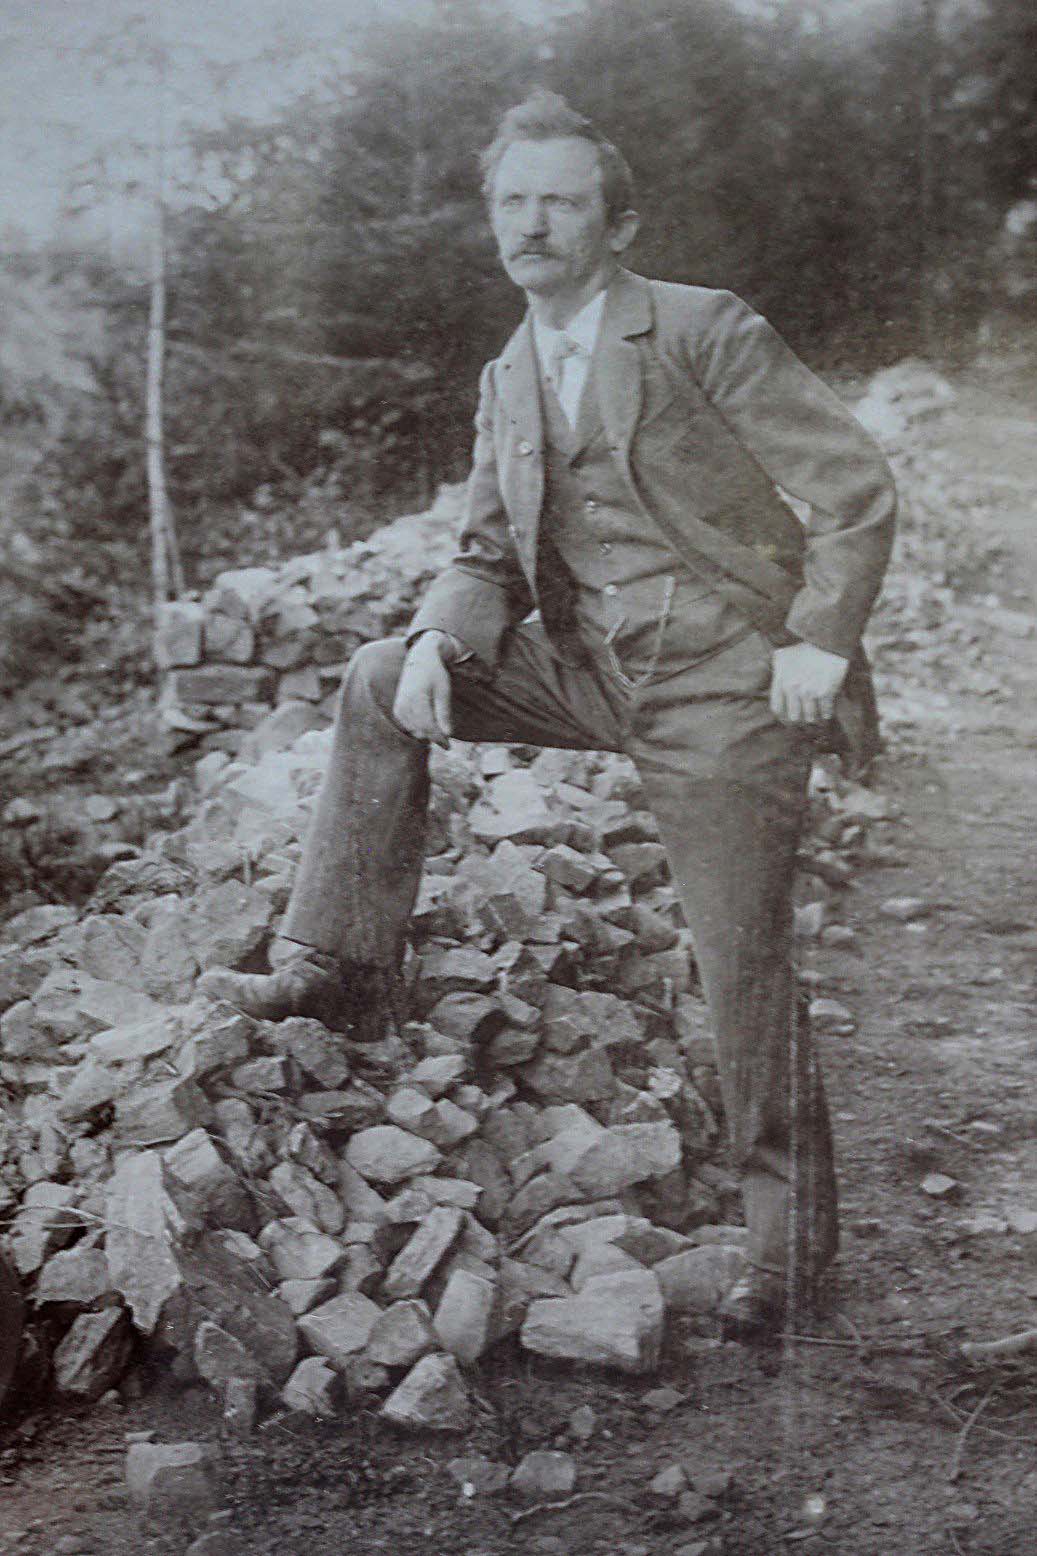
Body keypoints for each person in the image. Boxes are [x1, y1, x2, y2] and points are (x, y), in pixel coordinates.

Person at [202, 92, 896, 1338]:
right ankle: (340, 967)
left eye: (560, 201)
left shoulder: (698, 327)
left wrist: (817, 640)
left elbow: (851, 488)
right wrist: (436, 639)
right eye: (511, 201)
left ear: (615, 224)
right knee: (377, 674)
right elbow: (484, 554)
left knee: (738, 966)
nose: (530, 223)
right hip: (586, 670)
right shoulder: (506, 375)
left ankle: (788, 1255)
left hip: (723, 685)